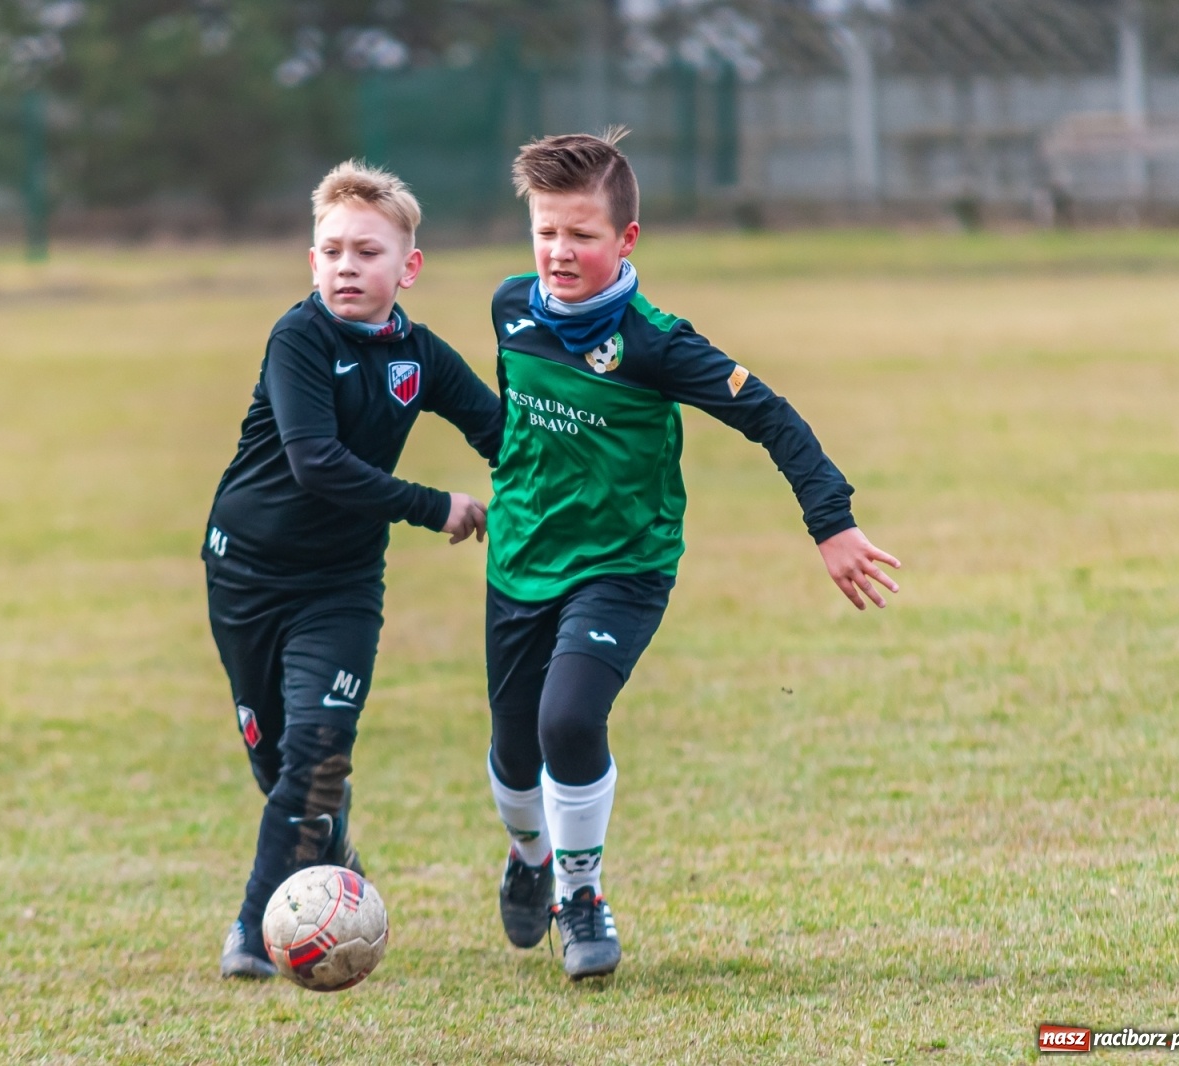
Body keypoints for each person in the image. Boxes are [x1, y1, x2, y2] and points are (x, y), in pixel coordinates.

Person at [483, 130, 901, 979]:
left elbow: (770, 416)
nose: (558, 252)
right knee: (514, 755)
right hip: (519, 561)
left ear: (626, 239)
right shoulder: (509, 307)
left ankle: (580, 896)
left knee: (568, 721)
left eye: (581, 235)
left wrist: (831, 522)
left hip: (623, 567)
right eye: (545, 232)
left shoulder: (657, 343)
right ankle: (530, 857)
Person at [204, 160, 503, 978]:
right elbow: (316, 464)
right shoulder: (299, 338)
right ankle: (328, 842)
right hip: (245, 576)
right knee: (279, 766)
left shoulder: (421, 356)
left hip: (340, 587)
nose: (346, 266)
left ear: (407, 268)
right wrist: (436, 506)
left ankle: (253, 931)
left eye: (367, 252)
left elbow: (502, 435)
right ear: (312, 262)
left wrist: (567, 492)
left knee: (318, 748)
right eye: (332, 251)